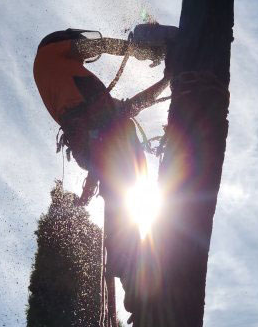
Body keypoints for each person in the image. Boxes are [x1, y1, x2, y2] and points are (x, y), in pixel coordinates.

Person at [33, 27, 173, 317]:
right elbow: (103, 45)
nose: (85, 54)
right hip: (104, 142)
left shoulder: (64, 82)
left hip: (98, 146)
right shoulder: (51, 53)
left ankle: (139, 290)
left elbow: (128, 108)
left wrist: (168, 80)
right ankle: (144, 288)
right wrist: (143, 51)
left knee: (123, 211)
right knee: (127, 211)